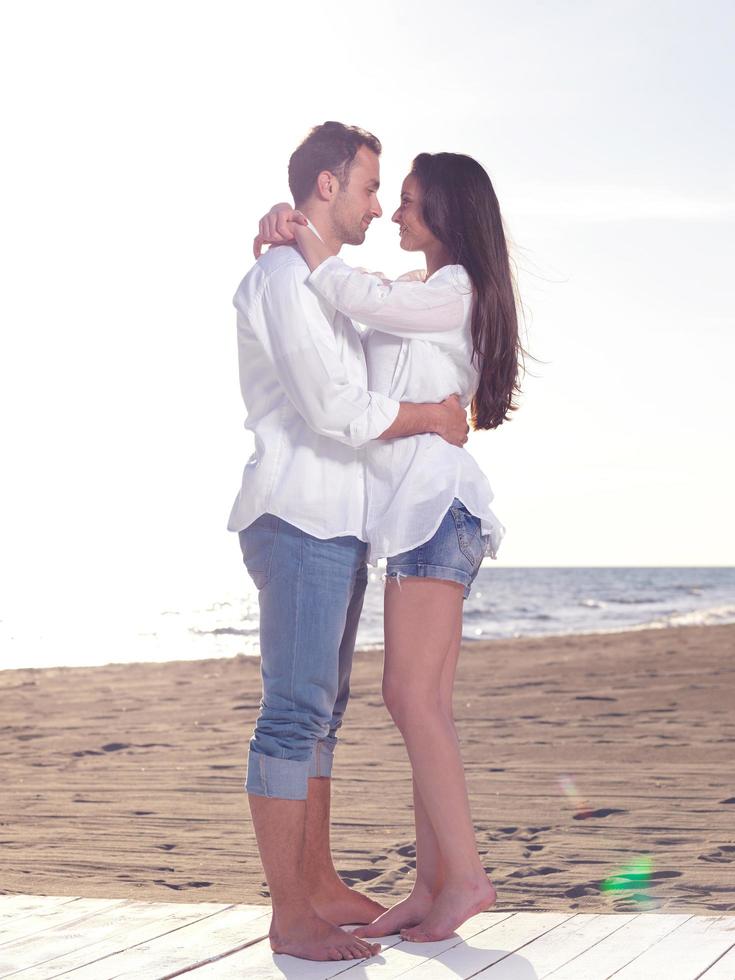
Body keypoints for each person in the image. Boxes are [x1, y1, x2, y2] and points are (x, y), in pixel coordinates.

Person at [254, 150, 522, 942]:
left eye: (406, 203)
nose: (395, 216)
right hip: (413, 515)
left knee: (410, 700)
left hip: (434, 509)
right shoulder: (418, 291)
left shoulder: (454, 288)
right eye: (390, 199)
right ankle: (432, 885)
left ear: (443, 213)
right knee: (421, 702)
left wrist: (306, 240)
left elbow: (349, 293)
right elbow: (348, 332)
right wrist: (277, 231)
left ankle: (464, 877)